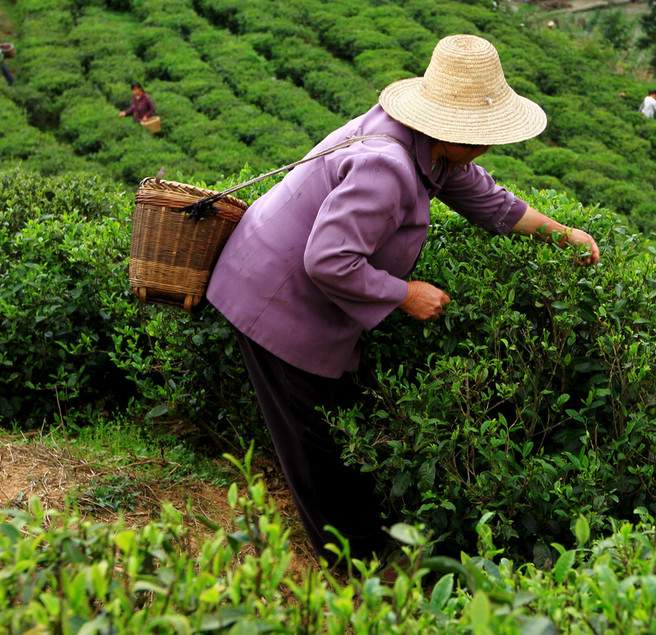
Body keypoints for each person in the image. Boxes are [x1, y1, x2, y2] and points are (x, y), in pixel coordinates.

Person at [206, 34, 601, 558]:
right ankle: (352, 565)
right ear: (447, 126)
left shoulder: (430, 149)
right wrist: (403, 293)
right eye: (479, 133)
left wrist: (561, 233)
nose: (486, 146)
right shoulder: (386, 165)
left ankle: (362, 547)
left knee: (341, 426)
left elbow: (488, 199)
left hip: (286, 286)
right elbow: (328, 259)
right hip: (272, 299)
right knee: (317, 445)